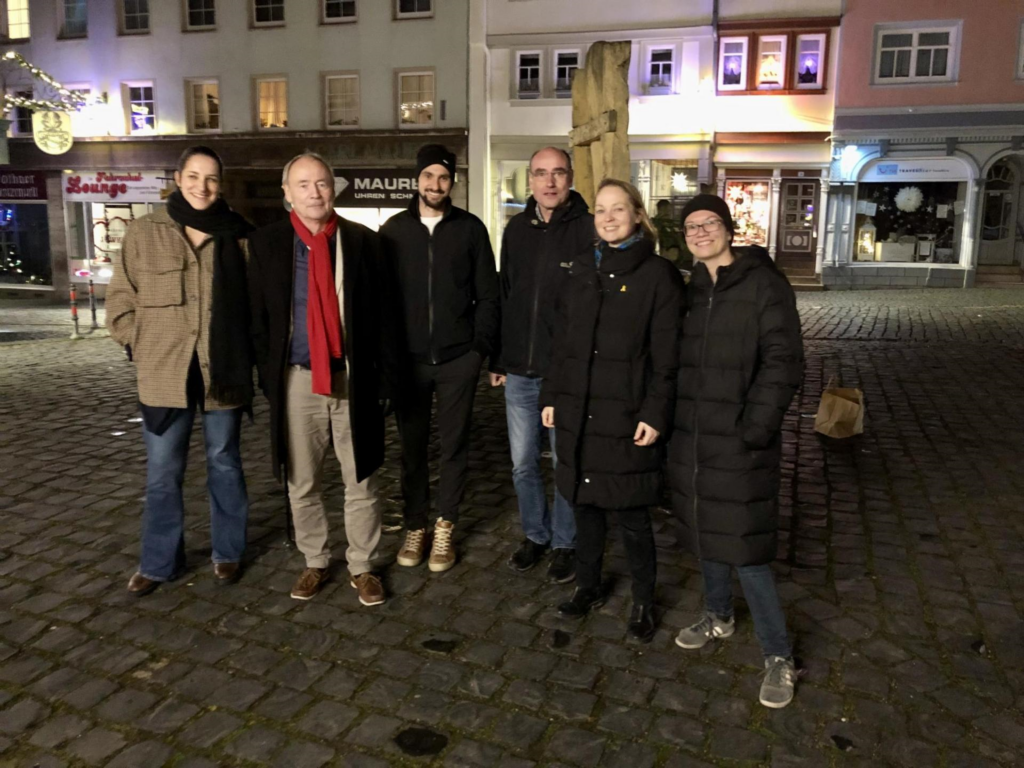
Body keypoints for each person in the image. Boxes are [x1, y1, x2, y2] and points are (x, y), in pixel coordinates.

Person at [667, 193, 804, 708]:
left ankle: (779, 654)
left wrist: (756, 427)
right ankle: (719, 614)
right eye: (691, 227)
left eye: (709, 224)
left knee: (746, 549)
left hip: (742, 438)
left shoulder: (763, 285)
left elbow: (784, 361)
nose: (700, 232)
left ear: (728, 229)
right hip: (694, 437)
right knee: (705, 529)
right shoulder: (691, 290)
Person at [247, 152, 402, 604]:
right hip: (296, 379)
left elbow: (385, 317)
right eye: (303, 184)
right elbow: (257, 320)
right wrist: (266, 379)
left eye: (322, 183)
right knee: (302, 480)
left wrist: (385, 380)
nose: (314, 192)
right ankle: (315, 560)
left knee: (362, 478)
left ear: (334, 188)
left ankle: (363, 565)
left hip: (353, 378)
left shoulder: (364, 243)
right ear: (287, 193)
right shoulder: (267, 245)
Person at [540, 179, 684, 642]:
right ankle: (588, 584)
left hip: (626, 415)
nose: (607, 217)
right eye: (600, 210)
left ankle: (644, 599)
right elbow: (560, 347)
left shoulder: (658, 275)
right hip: (578, 411)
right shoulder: (580, 270)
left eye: (618, 209)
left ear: (637, 215)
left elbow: (667, 356)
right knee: (585, 507)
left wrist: (655, 412)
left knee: (633, 514)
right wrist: (550, 397)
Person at [106, 146, 253, 597]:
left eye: (211, 178)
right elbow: (120, 300)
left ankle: (228, 553)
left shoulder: (240, 236)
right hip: (163, 374)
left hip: (220, 372)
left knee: (224, 463)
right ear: (177, 177)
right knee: (162, 472)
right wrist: (139, 342)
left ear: (221, 184)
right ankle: (158, 561)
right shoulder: (144, 232)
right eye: (193, 176)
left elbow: (255, 306)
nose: (201, 187)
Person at [381, 144, 499, 573]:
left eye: (443, 177)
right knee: (411, 449)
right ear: (417, 179)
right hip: (410, 362)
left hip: (456, 360)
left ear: (452, 182)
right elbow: (383, 301)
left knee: (454, 445)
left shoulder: (470, 229)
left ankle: (445, 524)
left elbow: (489, 293)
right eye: (428, 176)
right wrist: (388, 356)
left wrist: (478, 350)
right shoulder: (393, 231)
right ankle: (416, 524)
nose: (435, 184)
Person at [491, 147, 594, 583]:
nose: (549, 182)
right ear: (529, 180)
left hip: (564, 373)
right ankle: (535, 534)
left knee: (565, 463)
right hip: (519, 370)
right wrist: (500, 357)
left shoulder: (588, 229)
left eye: (557, 173)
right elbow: (506, 294)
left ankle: (566, 543)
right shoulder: (516, 229)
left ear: (570, 177)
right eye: (540, 174)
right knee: (522, 463)